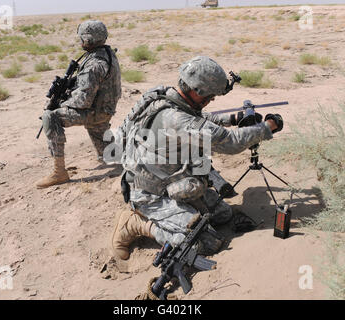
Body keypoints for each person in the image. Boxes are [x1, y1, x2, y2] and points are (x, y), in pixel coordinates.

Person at [112, 56, 283, 260]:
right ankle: (136, 224)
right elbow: (230, 142)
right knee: (206, 243)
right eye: (210, 96)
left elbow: (198, 118)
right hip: (150, 195)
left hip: (171, 181)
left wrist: (233, 118)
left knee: (223, 214)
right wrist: (268, 126)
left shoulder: (165, 96)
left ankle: (179, 213)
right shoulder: (175, 119)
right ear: (197, 91)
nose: (211, 100)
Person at [36, 20, 122, 189]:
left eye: (82, 38)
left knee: (50, 117)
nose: (80, 41)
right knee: (107, 152)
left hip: (95, 111)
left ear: (88, 40)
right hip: (105, 108)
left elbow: (83, 101)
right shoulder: (107, 53)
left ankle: (59, 172)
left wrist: (61, 103)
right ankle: (114, 155)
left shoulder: (93, 65)